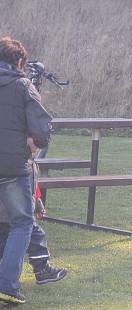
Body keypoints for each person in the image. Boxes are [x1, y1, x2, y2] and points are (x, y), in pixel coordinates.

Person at [0, 37, 52, 305]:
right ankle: (7, 285)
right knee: (21, 223)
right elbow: (42, 129)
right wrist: (36, 141)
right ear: (20, 62)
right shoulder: (23, 85)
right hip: (11, 166)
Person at [0, 160, 67, 286]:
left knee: (5, 244)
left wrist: (37, 205)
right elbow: (28, 191)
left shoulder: (28, 164)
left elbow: (32, 191)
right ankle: (42, 269)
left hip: (12, 213)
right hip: (16, 214)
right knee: (36, 238)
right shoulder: (23, 164)